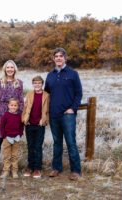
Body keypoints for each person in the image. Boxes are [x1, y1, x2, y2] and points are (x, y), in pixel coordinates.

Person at [44, 47, 83, 181]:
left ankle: (76, 171)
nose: (58, 58)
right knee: (57, 143)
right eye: (56, 56)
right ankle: (56, 168)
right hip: (54, 114)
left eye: (61, 56)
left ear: (65, 58)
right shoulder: (50, 75)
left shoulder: (73, 74)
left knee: (71, 142)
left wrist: (73, 108)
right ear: (54, 59)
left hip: (68, 115)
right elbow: (47, 94)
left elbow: (79, 93)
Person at [0, 60, 24, 177]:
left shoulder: (19, 83)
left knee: (14, 140)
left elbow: (21, 100)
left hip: (14, 114)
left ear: (15, 69)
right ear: (5, 69)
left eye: (12, 67)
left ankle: (11, 168)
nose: (10, 69)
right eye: (8, 67)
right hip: (1, 114)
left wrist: (21, 116)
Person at [22, 76, 50, 178]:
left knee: (38, 146)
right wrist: (24, 119)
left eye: (39, 83)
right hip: (29, 124)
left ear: (42, 84)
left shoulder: (46, 95)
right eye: (35, 83)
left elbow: (47, 110)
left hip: (40, 124)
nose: (37, 84)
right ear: (32, 84)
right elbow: (25, 108)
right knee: (30, 146)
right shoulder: (29, 94)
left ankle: (37, 168)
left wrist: (45, 120)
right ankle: (30, 167)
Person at [0, 98, 24, 178]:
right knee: (7, 156)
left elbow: (21, 126)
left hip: (16, 138)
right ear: (8, 105)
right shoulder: (6, 115)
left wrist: (20, 134)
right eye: (11, 105)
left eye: (15, 105)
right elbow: (2, 126)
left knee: (14, 155)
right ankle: (6, 171)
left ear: (18, 106)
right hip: (7, 138)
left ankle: (14, 171)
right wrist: (4, 136)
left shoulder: (19, 116)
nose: (13, 107)